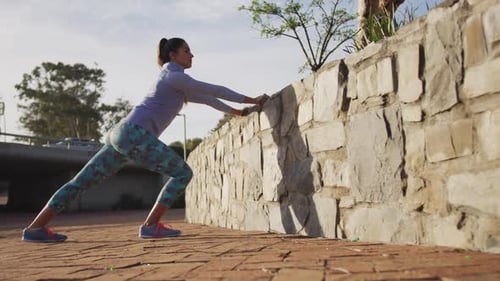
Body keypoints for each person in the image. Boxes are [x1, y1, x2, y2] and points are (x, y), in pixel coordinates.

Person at [22, 37, 269, 242]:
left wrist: (237, 113)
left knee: (80, 182)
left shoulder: (174, 82)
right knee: (183, 173)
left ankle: (36, 228)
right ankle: (151, 226)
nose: (192, 55)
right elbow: (214, 89)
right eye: (187, 51)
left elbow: (208, 98)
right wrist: (252, 100)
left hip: (121, 132)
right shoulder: (173, 76)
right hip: (133, 134)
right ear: (173, 54)